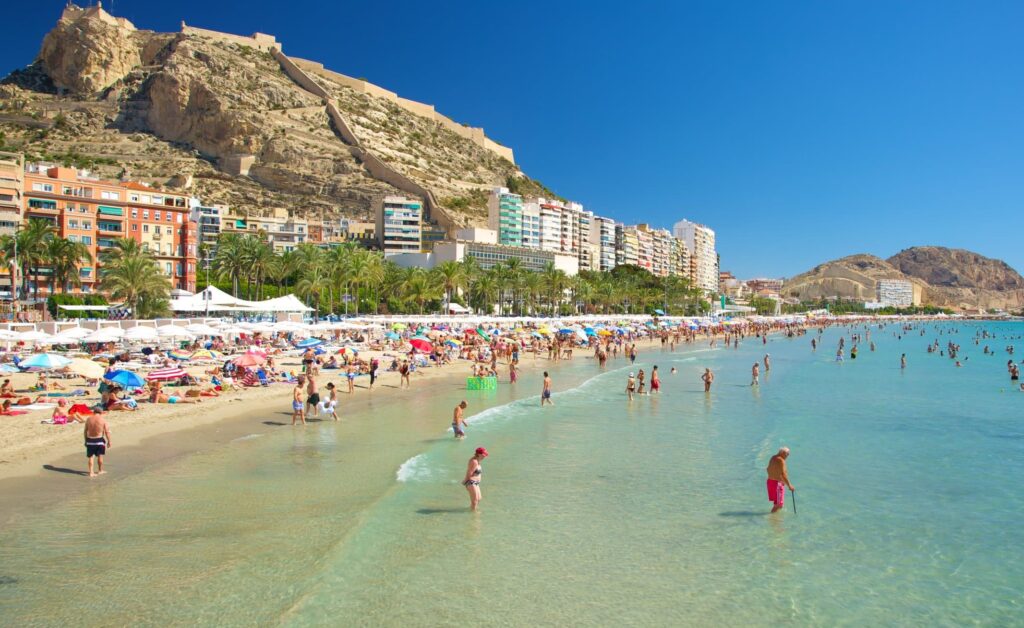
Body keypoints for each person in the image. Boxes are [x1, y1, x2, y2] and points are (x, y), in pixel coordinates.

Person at [84, 408, 111, 478]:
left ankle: (91, 472)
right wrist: (109, 441)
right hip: (99, 440)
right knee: (100, 455)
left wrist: (86, 440)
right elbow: (107, 432)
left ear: (94, 412)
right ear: (101, 413)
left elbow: (85, 431)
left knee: (91, 457)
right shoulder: (103, 420)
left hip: (90, 440)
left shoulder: (88, 419)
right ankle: (100, 470)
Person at [766, 447, 795, 513]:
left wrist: (773, 476)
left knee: (777, 504)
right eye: (787, 454)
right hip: (777, 484)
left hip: (770, 482)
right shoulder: (781, 461)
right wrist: (789, 485)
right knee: (778, 505)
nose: (788, 456)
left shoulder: (773, 457)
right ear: (782, 453)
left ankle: (774, 517)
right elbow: (783, 474)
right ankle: (772, 518)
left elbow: (767, 469)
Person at [463, 446, 488, 511]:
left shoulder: (477, 461)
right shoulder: (474, 461)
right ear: (479, 454)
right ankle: (474, 514)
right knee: (474, 501)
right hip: (471, 482)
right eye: (484, 454)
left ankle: (471, 510)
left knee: (479, 499)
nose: (485, 456)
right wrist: (465, 481)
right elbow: (469, 472)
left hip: (476, 483)